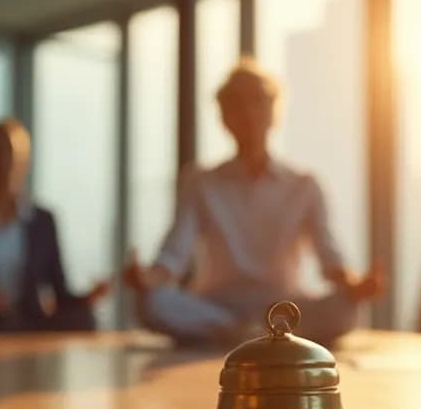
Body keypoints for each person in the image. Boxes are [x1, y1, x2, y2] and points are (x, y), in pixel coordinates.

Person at [123, 58, 384, 347]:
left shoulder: (305, 185)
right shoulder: (200, 182)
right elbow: (174, 254)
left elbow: (330, 257)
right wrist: (147, 279)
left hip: (286, 308)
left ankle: (246, 334)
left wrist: (354, 285)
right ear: (224, 116)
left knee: (347, 308)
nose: (248, 111)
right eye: (236, 103)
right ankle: (255, 332)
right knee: (151, 303)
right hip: (217, 307)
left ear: (274, 110)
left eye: (258, 101)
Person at [0, 119, 110, 333]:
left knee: (84, 317)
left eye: (14, 154)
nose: (6, 161)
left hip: (30, 321)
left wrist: (89, 297)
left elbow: (59, 291)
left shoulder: (43, 221)